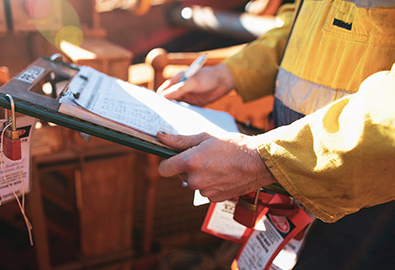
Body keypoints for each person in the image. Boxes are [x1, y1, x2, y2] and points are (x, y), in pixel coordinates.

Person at [155, 0, 395, 268]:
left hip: (369, 202)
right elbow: (305, 25)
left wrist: (266, 159)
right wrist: (230, 73)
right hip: (296, 169)